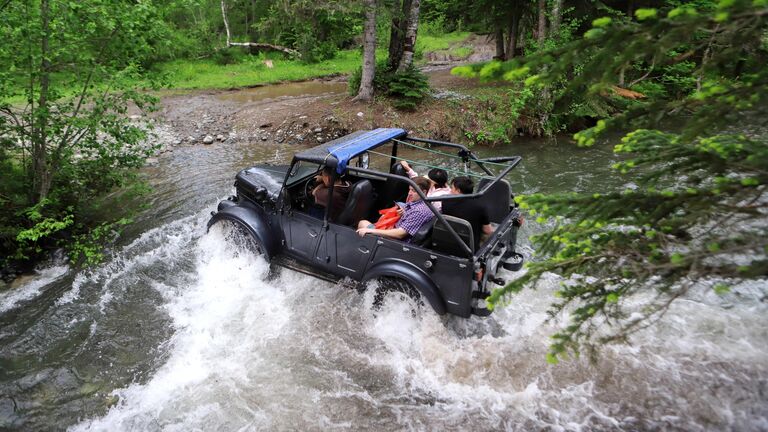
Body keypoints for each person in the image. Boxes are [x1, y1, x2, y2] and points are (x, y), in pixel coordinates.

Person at [356, 177, 434, 242]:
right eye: (409, 189)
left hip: (394, 241)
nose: (409, 193)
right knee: (382, 216)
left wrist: (371, 231)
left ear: (423, 192)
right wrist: (404, 214)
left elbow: (400, 234)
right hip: (396, 228)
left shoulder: (419, 211)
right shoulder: (424, 203)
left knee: (362, 223)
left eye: (413, 191)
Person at [441, 176, 494, 250]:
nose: (450, 191)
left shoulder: (445, 201)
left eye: (452, 188)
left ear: (458, 190)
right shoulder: (480, 206)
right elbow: (488, 231)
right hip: (470, 247)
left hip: (448, 242)